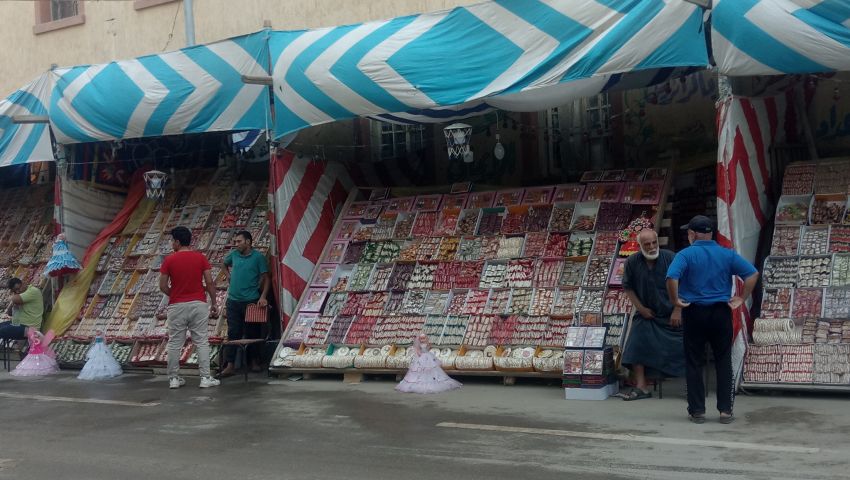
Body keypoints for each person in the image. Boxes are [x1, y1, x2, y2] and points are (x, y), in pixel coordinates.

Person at [666, 215, 758, 424]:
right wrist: (742, 298)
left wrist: (675, 301)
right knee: (723, 360)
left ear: (692, 234)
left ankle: (697, 411)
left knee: (694, 361)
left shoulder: (686, 254)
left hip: (694, 311)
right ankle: (725, 411)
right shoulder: (726, 254)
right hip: (720, 312)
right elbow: (752, 274)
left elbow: (672, 277)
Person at [620, 230, 685, 401]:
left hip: (674, 314)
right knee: (636, 338)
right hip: (648, 314)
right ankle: (642, 386)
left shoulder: (671, 258)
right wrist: (640, 308)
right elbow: (628, 287)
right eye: (647, 244)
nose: (651, 247)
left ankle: (690, 385)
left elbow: (686, 284)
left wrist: (677, 309)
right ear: (640, 246)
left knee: (686, 342)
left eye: (654, 243)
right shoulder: (632, 262)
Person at [159, 226, 221, 389]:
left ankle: (173, 378)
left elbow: (163, 285)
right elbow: (209, 283)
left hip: (176, 305)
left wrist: (175, 293)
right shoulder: (200, 258)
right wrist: (214, 303)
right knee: (201, 341)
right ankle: (205, 378)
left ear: (178, 242)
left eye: (172, 240)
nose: (171, 243)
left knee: (175, 343)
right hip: (198, 304)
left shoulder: (169, 260)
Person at [219, 230, 270, 377]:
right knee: (233, 332)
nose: (236, 244)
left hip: (251, 300)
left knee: (252, 331)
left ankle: (254, 361)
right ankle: (230, 365)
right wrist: (228, 276)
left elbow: (266, 278)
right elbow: (224, 264)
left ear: (248, 242)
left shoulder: (258, 258)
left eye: (239, 241)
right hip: (233, 300)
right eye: (235, 242)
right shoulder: (234, 255)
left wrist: (263, 296)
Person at [396, 333, 462, 394]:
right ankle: (421, 381)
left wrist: (427, 346)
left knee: (431, 368)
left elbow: (428, 347)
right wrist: (419, 353)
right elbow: (417, 349)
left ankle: (432, 380)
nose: (422, 340)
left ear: (425, 338)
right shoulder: (419, 344)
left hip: (428, 355)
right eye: (421, 338)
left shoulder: (426, 343)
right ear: (419, 339)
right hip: (422, 356)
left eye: (423, 338)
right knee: (421, 369)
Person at [1, 277, 44, 342]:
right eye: (15, 290)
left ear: (23, 283)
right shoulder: (20, 295)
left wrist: (14, 295)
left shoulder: (33, 291)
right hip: (19, 324)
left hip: (29, 328)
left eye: (18, 288)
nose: (18, 291)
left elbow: (14, 299)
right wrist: (14, 297)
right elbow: (9, 313)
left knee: (1, 330)